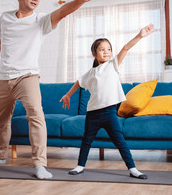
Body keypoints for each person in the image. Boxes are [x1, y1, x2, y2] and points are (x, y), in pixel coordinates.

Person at [0, 0, 104, 180]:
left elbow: (62, 12)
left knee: (36, 116)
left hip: (27, 76)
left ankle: (40, 164)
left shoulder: (40, 20)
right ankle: (0, 155)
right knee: (0, 120)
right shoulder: (5, 18)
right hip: (3, 78)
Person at [59, 24, 154, 179]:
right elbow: (78, 82)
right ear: (94, 53)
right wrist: (68, 95)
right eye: (102, 49)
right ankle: (80, 166)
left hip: (109, 112)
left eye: (108, 49)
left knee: (120, 141)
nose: (106, 52)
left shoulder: (113, 65)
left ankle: (133, 169)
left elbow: (125, 48)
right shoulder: (90, 73)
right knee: (87, 140)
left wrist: (140, 35)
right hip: (93, 113)